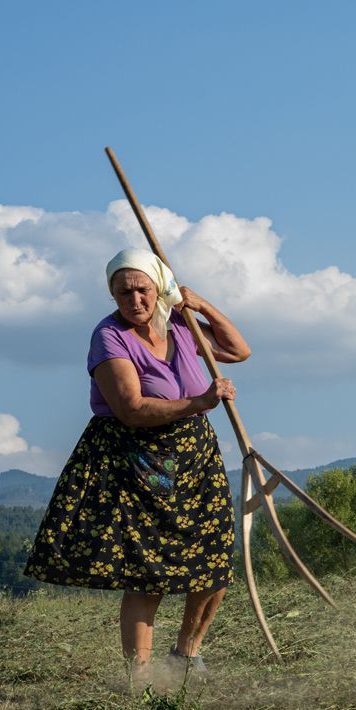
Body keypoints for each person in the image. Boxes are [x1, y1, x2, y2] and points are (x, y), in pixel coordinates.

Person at [26, 248, 250, 683]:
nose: (134, 300)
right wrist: (201, 402)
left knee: (214, 563)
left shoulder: (180, 322)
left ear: (158, 288)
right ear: (112, 295)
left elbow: (238, 351)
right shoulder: (109, 336)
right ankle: (140, 679)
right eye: (122, 292)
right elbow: (129, 408)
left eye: (142, 289)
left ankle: (185, 656)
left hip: (195, 456)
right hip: (139, 459)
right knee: (149, 572)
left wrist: (199, 303)